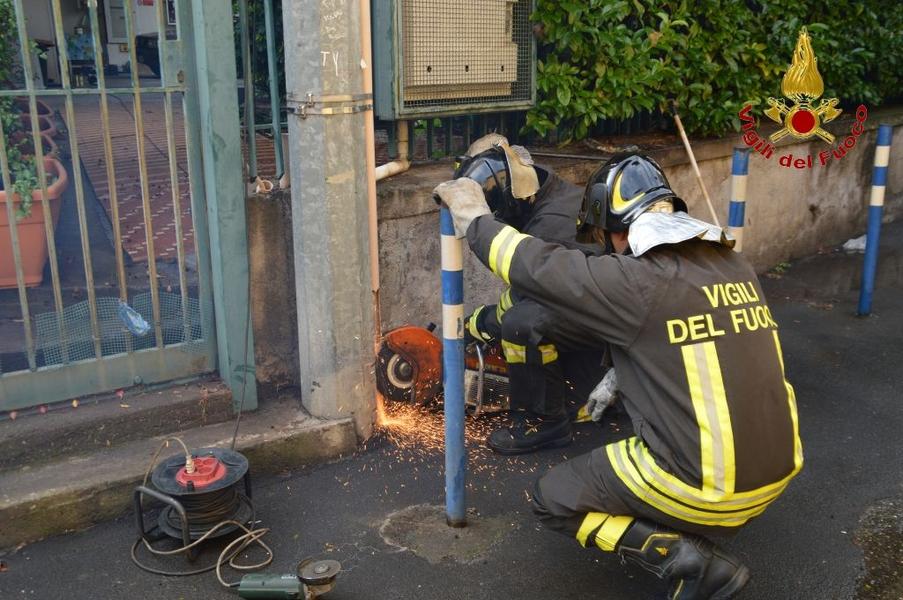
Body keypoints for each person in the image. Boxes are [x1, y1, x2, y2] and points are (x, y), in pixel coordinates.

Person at [433, 154, 803, 599]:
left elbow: (535, 264)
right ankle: (691, 517)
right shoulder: (734, 266)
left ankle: (687, 559)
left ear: (618, 228)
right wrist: (615, 376)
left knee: (553, 497)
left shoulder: (636, 282)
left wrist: (475, 218)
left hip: (710, 486)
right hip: (780, 469)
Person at [452, 134, 607, 455]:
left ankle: (544, 423)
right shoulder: (545, 190)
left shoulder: (550, 227)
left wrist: (477, 324)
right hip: (591, 308)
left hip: (606, 332)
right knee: (522, 317)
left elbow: (525, 300)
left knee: (522, 325)